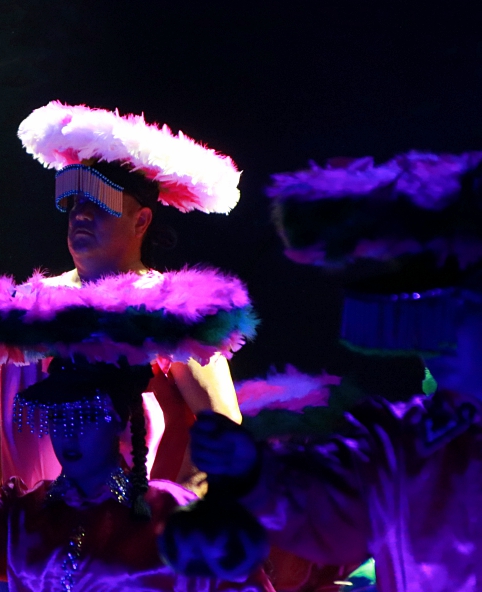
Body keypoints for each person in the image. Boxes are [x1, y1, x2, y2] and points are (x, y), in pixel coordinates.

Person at [177, 150, 482, 592]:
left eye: (456, 313)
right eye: (423, 315)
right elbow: (328, 507)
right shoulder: (407, 442)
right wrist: (249, 469)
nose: (436, 339)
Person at [0, 101, 248, 505]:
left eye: (97, 201)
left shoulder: (170, 307)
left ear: (142, 221)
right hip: (31, 539)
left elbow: (221, 422)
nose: (80, 214)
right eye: (73, 203)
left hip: (132, 548)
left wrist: (177, 508)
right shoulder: (30, 305)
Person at [0, 358, 274, 591]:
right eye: (58, 418)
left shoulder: (171, 513)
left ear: (118, 421)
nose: (68, 433)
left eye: (83, 416)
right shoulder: (23, 513)